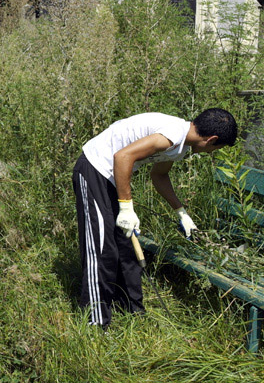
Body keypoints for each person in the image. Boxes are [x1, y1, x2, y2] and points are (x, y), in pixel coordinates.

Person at [73, 108, 237, 327]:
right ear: (211, 140)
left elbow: (159, 176)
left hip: (114, 178)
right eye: (217, 148)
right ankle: (96, 322)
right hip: (95, 169)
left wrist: (182, 213)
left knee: (126, 249)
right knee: (102, 249)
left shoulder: (181, 145)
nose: (212, 153)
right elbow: (122, 156)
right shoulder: (171, 135)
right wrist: (126, 208)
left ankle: (132, 312)